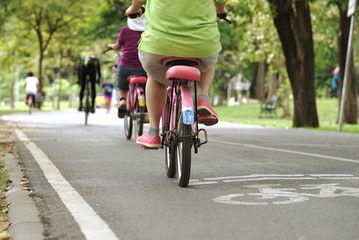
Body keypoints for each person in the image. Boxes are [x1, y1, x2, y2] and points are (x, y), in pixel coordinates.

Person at [126, 0, 227, 149]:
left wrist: (133, 8)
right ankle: (203, 97)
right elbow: (220, 3)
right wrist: (221, 10)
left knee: (155, 77)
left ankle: (153, 132)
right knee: (208, 62)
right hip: (201, 46)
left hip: (158, 47)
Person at [107, 14, 147, 118]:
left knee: (120, 87)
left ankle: (122, 100)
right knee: (148, 88)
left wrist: (111, 46)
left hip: (125, 66)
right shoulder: (148, 31)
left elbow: (117, 46)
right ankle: (146, 109)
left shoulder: (125, 30)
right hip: (144, 67)